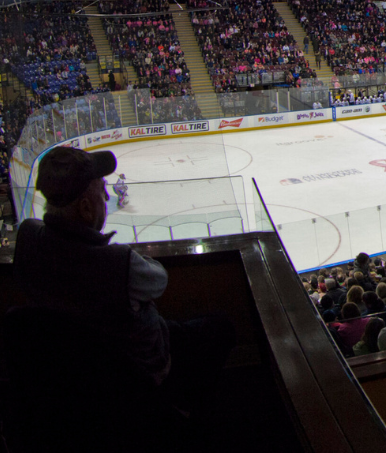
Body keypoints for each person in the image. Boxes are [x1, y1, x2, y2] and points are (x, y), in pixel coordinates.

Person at [13, 147, 234, 414]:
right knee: (221, 327)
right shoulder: (120, 263)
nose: (107, 196)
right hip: (137, 375)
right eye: (102, 190)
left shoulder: (27, 237)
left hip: (70, 378)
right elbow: (159, 280)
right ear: (85, 208)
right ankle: (182, 411)